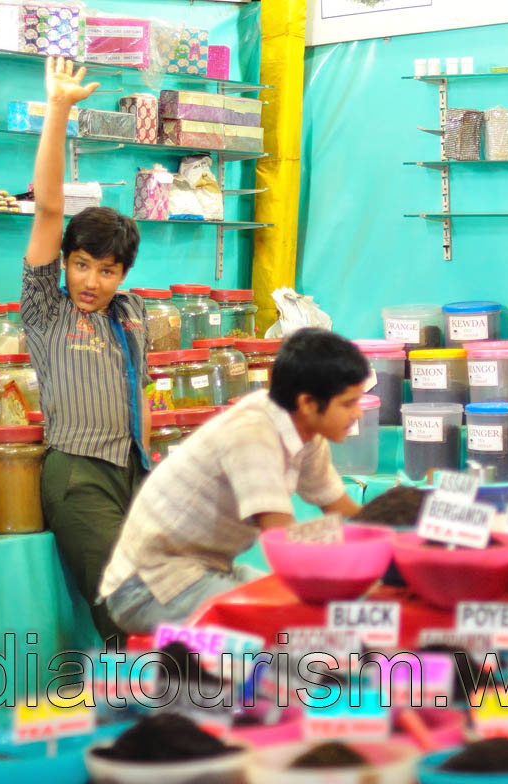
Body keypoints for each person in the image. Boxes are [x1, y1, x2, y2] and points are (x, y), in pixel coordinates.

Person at [99, 328, 370, 633]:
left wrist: (397, 544)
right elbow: (281, 540)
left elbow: (344, 512)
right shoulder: (253, 433)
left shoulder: (306, 431)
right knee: (291, 623)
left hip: (208, 571)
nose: (358, 413)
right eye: (348, 403)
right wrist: (350, 579)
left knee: (306, 610)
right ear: (308, 403)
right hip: (148, 588)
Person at [21, 57, 151, 643]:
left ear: (123, 274)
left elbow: (141, 395)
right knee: (125, 615)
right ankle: (148, 721)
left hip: (133, 473)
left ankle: (179, 715)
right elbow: (49, 207)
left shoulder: (132, 314)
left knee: (164, 606)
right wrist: (58, 109)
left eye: (106, 269)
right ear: (64, 263)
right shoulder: (47, 310)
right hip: (76, 475)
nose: (91, 281)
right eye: (80, 265)